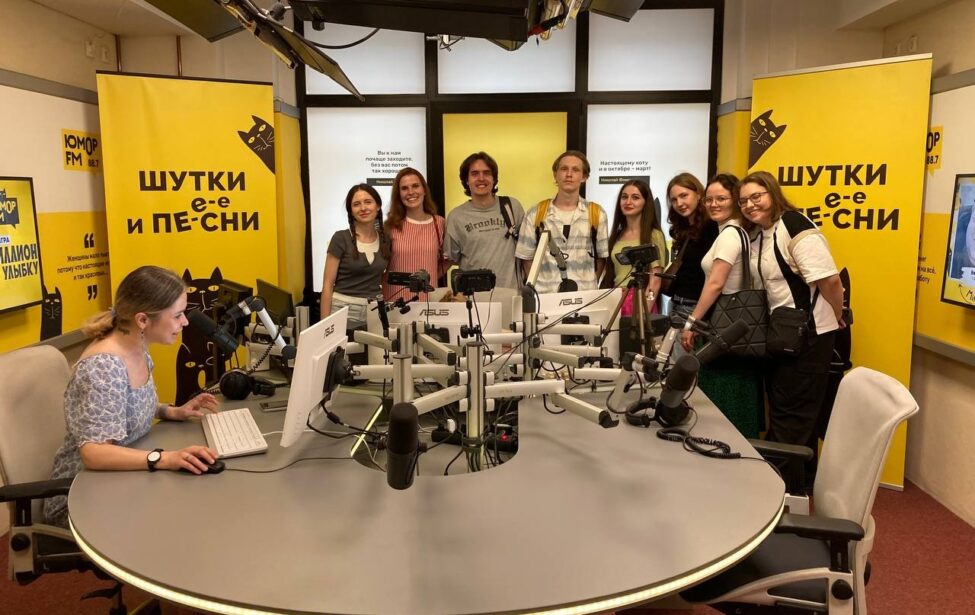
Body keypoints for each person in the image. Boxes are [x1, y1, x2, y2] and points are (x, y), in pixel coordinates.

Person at [44, 266, 218, 528]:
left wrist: (172, 411)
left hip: (121, 478)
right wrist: (164, 459)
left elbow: (125, 404)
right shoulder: (104, 367)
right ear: (143, 321)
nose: (185, 322)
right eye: (177, 315)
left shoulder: (137, 347)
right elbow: (94, 454)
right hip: (81, 494)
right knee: (183, 519)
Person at [738, 171, 847, 447]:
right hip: (783, 335)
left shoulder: (793, 224)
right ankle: (800, 472)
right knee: (789, 412)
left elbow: (830, 280)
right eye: (743, 201)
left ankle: (781, 473)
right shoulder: (761, 233)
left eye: (756, 196)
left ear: (773, 193)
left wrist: (836, 314)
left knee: (792, 417)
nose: (750, 205)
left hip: (809, 336)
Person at [679, 174, 763, 438]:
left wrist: (691, 321)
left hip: (723, 328)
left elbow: (716, 283)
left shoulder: (729, 235)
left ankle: (726, 444)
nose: (714, 204)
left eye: (722, 199)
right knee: (735, 396)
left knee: (722, 397)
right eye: (709, 199)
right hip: (735, 328)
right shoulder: (738, 233)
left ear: (735, 201)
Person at [515, 150, 609, 293]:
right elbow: (526, 258)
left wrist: (587, 284)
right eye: (564, 169)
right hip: (545, 297)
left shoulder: (597, 213)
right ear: (555, 174)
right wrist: (539, 288)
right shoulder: (535, 213)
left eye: (575, 170)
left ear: (584, 177)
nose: (569, 174)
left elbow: (601, 258)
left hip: (585, 296)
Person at [445, 151, 525, 289]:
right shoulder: (456, 217)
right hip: (473, 297)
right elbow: (451, 259)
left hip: (510, 294)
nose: (481, 178)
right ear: (466, 180)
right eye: (474, 174)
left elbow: (527, 252)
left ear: (494, 179)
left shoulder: (512, 207)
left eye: (487, 173)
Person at [321, 183, 390, 330]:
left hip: (374, 313)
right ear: (351, 211)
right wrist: (325, 327)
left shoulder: (386, 240)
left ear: (378, 206)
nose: (363, 208)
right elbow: (327, 285)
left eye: (368, 202)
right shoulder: (340, 238)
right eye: (356, 204)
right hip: (342, 312)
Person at [602, 179, 667, 315]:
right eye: (624, 197)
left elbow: (655, 280)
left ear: (645, 203)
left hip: (640, 300)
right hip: (615, 299)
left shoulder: (654, 234)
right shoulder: (616, 235)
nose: (628, 202)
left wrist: (644, 311)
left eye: (635, 197)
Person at [383, 167, 449, 301]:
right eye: (404, 188)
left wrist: (428, 278)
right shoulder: (390, 226)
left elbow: (448, 260)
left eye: (415, 186)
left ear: (424, 190)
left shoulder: (439, 223)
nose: (411, 192)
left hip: (428, 301)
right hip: (395, 301)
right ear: (398, 194)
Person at [664, 172, 720, 322]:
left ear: (698, 194)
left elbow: (714, 278)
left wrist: (696, 317)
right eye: (674, 199)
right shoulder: (683, 228)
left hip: (695, 307)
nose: (679, 203)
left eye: (684, 196)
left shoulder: (711, 227)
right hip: (676, 303)